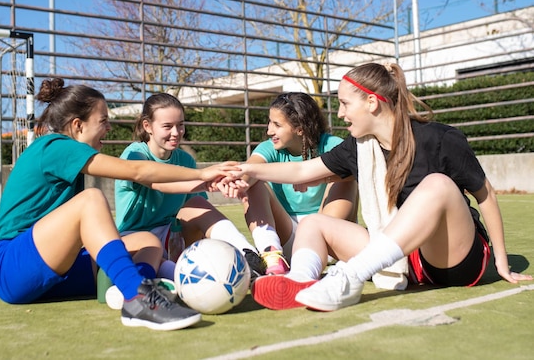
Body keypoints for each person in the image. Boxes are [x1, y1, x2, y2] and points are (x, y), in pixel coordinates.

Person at [224, 63, 532, 311]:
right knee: (316, 224)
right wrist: (247, 169)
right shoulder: (359, 148)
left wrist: (501, 262)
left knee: (437, 185)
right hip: (405, 260)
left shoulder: (440, 138)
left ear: (372, 102)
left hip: (452, 258)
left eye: (345, 103)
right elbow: (303, 169)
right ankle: (301, 281)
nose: (341, 113)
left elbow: (486, 195)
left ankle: (350, 276)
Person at [0, 77, 239, 331]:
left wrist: (203, 179)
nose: (109, 128)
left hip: (54, 271)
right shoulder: (54, 147)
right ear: (77, 125)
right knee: (91, 200)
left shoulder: (66, 153)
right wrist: (202, 174)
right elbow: (136, 171)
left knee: (147, 242)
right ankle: (137, 299)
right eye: (103, 121)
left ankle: (136, 285)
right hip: (11, 269)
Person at [110, 92, 265, 306]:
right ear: (147, 126)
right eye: (167, 126)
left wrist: (218, 182)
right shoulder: (135, 155)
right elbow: (158, 182)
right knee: (154, 250)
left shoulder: (185, 160)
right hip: (136, 240)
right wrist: (204, 179)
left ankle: (248, 258)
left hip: (171, 237)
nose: (176, 133)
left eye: (180, 125)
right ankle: (177, 280)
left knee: (198, 204)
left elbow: (197, 211)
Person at [228, 92, 357, 276]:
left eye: (277, 125)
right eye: (270, 122)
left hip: (328, 237)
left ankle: (328, 246)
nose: (269, 131)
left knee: (346, 177)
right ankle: (271, 254)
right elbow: (250, 169)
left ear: (300, 129)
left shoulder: (332, 145)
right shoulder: (269, 148)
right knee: (255, 182)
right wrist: (236, 182)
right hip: (289, 239)